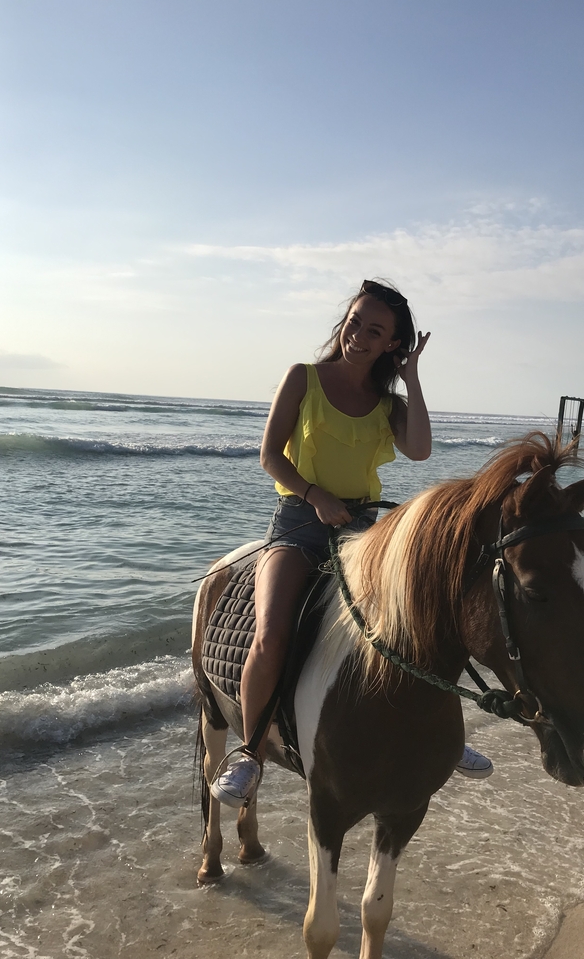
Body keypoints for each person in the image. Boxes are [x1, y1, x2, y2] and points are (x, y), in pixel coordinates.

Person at [211, 280, 493, 808]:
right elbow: (270, 455)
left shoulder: (387, 403)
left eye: (374, 331)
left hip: (363, 530)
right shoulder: (303, 378)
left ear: (392, 344)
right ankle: (249, 753)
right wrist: (315, 496)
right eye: (355, 322)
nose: (358, 336)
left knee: (419, 625)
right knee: (271, 634)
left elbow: (420, 449)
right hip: (299, 524)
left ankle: (442, 736)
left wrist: (411, 379)